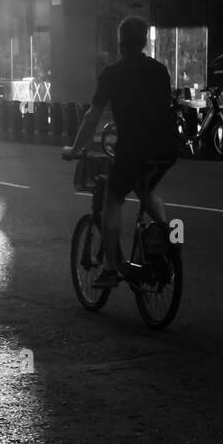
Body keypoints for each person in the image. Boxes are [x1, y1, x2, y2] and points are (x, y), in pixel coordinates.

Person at [63, 16, 178, 289]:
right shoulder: (160, 70)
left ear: (119, 42)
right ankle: (166, 239)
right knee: (146, 189)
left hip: (135, 146)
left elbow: (93, 117)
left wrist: (75, 149)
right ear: (145, 41)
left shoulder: (113, 73)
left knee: (112, 199)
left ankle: (111, 269)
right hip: (167, 145)